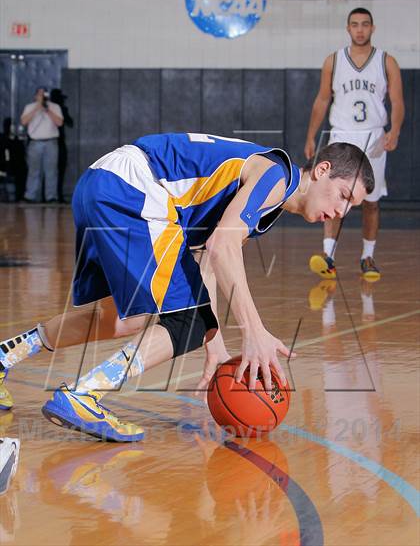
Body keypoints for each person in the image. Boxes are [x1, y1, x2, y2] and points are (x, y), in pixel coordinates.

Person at [0, 133, 374, 442]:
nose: (342, 212)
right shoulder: (277, 176)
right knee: (187, 324)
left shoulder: (270, 197)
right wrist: (254, 331)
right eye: (344, 195)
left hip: (104, 184)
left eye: (351, 207)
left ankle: (5, 356)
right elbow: (222, 247)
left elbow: (206, 261)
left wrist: (215, 345)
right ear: (322, 170)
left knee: (126, 319)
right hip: (132, 189)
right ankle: (84, 394)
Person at [304, 7, 404, 281]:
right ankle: (328, 256)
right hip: (341, 135)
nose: (360, 29)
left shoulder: (387, 61)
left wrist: (394, 130)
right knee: (332, 194)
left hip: (373, 136)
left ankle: (367, 256)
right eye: (355, 24)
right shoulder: (333, 61)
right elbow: (322, 100)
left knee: (371, 201)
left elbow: (397, 101)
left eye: (365, 24)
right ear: (348, 29)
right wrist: (311, 136)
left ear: (373, 28)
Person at [20, 87, 64, 203]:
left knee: (51, 171)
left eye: (43, 94)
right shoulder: (29, 107)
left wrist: (46, 109)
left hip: (51, 142)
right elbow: (24, 121)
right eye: (39, 94)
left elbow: (59, 122)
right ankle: (31, 196)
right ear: (35, 96)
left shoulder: (54, 107)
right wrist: (37, 108)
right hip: (35, 143)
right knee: (34, 170)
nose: (42, 96)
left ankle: (51, 197)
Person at [50, 89, 74, 203]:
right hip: (53, 140)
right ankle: (50, 195)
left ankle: (57, 194)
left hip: (59, 141)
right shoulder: (48, 108)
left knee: (60, 169)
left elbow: (69, 122)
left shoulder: (61, 109)